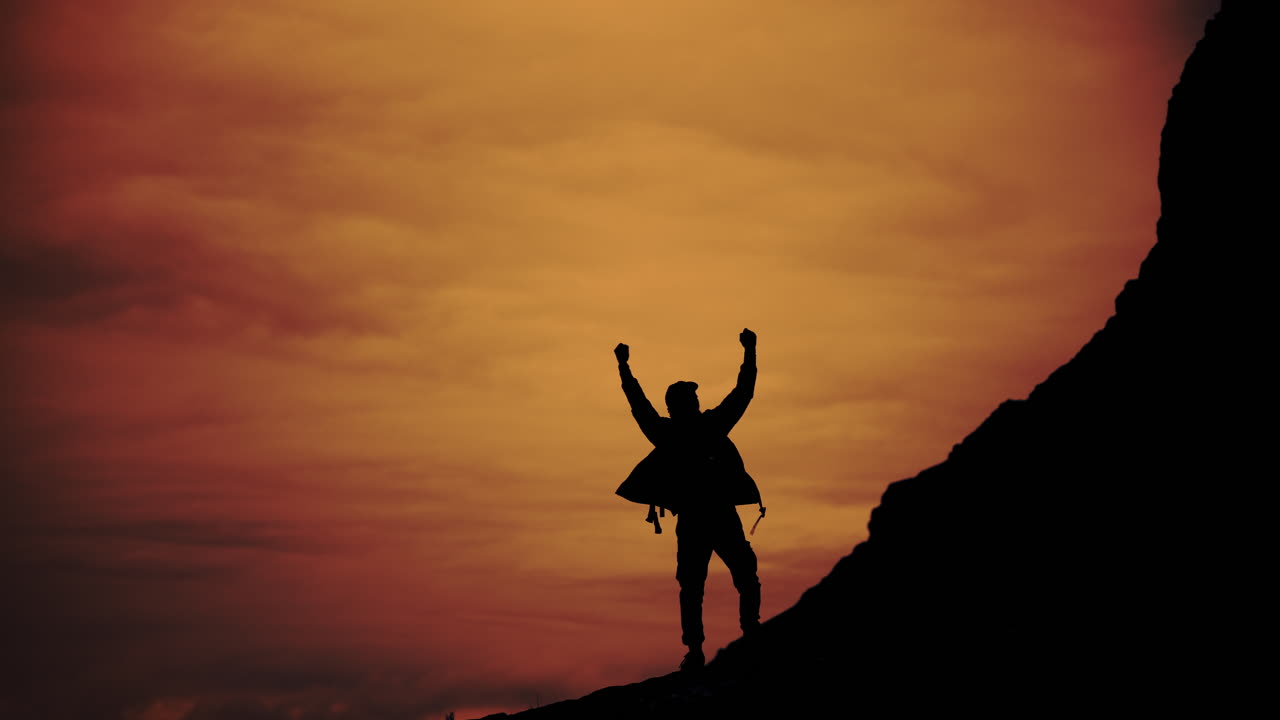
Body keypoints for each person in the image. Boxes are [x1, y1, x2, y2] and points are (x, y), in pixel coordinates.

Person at [613, 329, 764, 672]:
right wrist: (750, 351)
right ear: (681, 405)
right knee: (710, 582)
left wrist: (623, 367)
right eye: (691, 399)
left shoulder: (672, 432)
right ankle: (717, 643)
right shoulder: (702, 428)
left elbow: (639, 405)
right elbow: (743, 393)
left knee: (709, 582)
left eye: (695, 398)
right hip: (710, 516)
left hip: (704, 517)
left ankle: (716, 643)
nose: (696, 402)